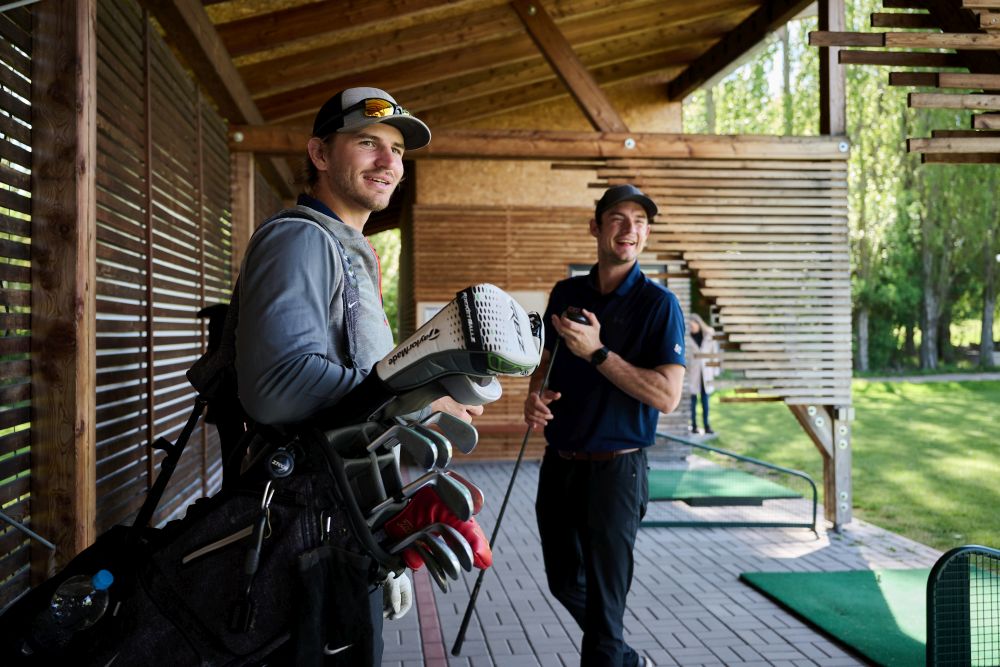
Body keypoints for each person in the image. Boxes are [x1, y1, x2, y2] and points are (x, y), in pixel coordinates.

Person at [233, 86, 482, 663]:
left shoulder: (351, 249)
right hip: (298, 533)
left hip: (340, 523)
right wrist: (423, 405)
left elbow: (352, 391)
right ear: (320, 155)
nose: (389, 162)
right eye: (368, 143)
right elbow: (277, 388)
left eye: (396, 149)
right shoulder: (300, 238)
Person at [524, 184, 686, 667]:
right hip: (560, 464)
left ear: (647, 234)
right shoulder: (566, 293)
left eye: (639, 221)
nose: (629, 229)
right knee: (563, 581)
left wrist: (597, 352)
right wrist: (534, 397)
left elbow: (667, 396)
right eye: (618, 217)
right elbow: (545, 363)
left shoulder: (661, 306)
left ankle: (613, 651)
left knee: (604, 617)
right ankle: (623, 656)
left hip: (617, 472)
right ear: (596, 227)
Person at [687, 312, 719, 435]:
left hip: (706, 374)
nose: (691, 328)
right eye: (689, 326)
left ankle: (707, 426)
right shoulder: (687, 338)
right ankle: (694, 425)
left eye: (693, 325)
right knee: (692, 403)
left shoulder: (709, 335)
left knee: (705, 402)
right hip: (693, 374)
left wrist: (714, 372)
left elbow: (714, 354)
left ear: (698, 323)